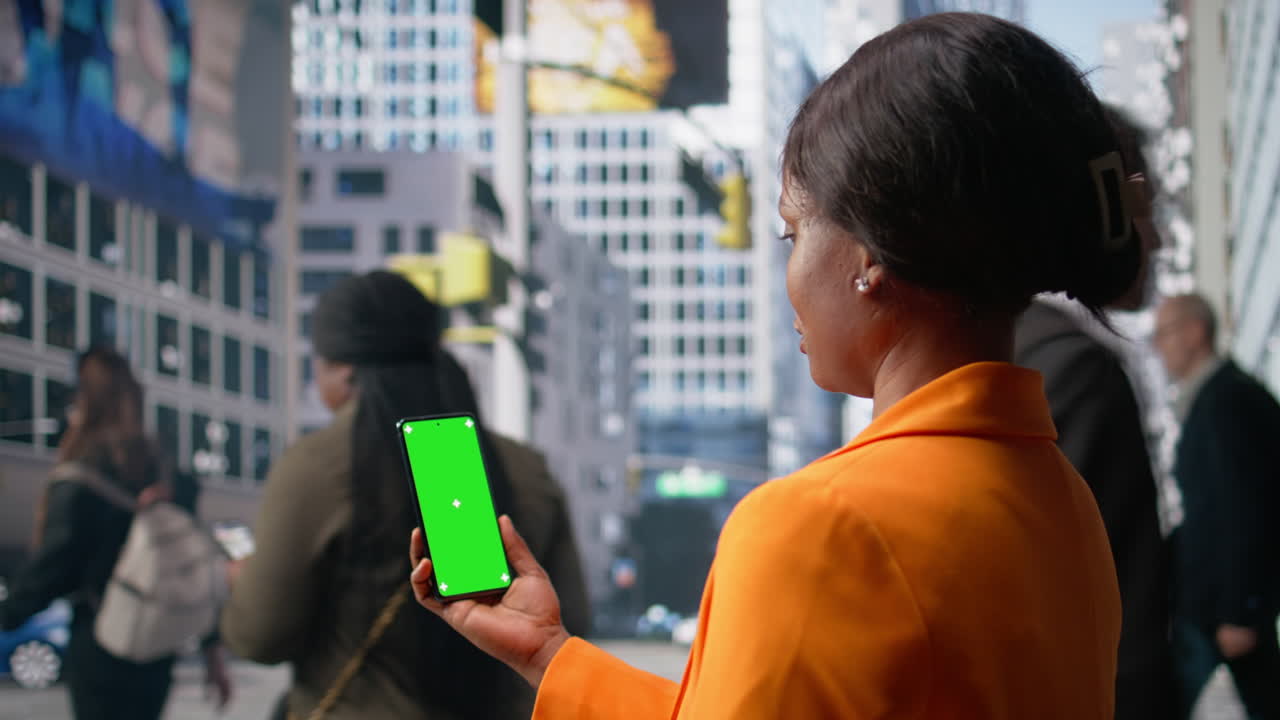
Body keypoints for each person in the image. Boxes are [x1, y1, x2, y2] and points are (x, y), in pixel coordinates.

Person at [408, 12, 1145, 719]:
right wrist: (549, 654)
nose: (786, 272)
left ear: (871, 255)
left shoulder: (822, 525)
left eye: (794, 232)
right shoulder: (1060, 498)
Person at [221, 270, 589, 720]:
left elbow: (261, 636)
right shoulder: (521, 467)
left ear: (343, 368)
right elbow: (570, 624)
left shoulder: (316, 466)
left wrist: (243, 584)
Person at [1014, 105, 1175, 719]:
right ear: (1097, 208)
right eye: (1146, 210)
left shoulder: (1032, 348)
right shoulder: (1071, 370)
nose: (1154, 239)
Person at [0, 346, 231, 720]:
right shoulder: (166, 470)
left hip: (100, 644)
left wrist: (8, 614)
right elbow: (191, 565)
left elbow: (54, 567)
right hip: (157, 642)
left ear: (83, 399)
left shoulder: (81, 475)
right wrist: (212, 650)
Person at [1152, 293, 1280, 719]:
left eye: (1165, 333)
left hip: (1221, 608)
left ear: (1195, 331)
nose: (1158, 346)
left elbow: (1243, 511)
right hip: (1219, 605)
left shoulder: (1224, 403)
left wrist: (1241, 609)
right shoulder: (1220, 398)